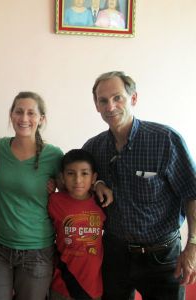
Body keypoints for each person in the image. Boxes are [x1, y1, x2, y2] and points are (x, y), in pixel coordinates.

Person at [83, 71, 196, 299]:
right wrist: (98, 183)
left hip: (162, 258)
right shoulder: (93, 148)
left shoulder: (165, 140)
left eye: (118, 98)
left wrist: (193, 245)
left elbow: (191, 194)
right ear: (96, 105)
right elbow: (74, 180)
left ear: (133, 99)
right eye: (103, 100)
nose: (110, 106)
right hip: (115, 256)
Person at [0, 92, 63, 300]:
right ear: (11, 115)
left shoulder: (53, 155)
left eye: (31, 113)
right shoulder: (1, 147)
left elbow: (71, 190)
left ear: (41, 119)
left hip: (37, 251)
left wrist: (96, 184)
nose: (24, 118)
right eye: (18, 112)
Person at [49, 149, 105, 300]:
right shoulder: (54, 200)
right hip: (62, 284)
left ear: (94, 178)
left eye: (84, 173)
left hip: (93, 288)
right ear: (62, 177)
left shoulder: (102, 203)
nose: (78, 180)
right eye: (71, 173)